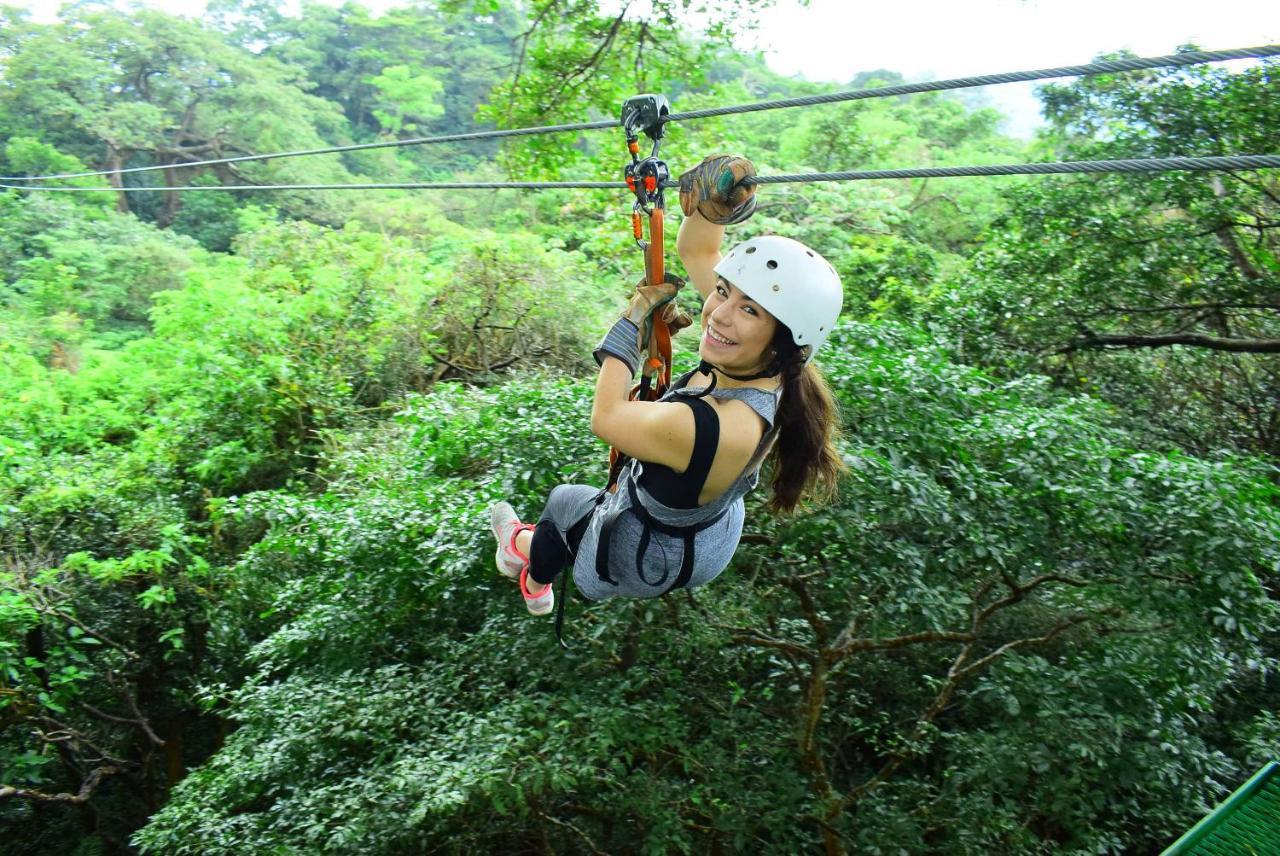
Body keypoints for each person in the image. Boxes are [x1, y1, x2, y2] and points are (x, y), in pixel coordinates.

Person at [489, 155, 846, 616]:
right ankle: (529, 553)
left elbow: (608, 417)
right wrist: (712, 208)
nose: (718, 313)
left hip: (650, 555)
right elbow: (698, 252)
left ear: (782, 339)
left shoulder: (723, 425)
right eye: (723, 291)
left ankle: (530, 576)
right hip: (705, 530)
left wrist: (631, 326)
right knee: (576, 510)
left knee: (564, 505)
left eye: (749, 309)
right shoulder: (775, 365)